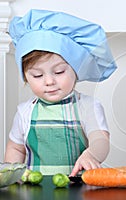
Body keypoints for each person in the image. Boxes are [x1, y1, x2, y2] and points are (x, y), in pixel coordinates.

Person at [5, 9, 117, 176]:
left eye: (59, 72)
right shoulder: (24, 111)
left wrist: (91, 155)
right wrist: (10, 174)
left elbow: (100, 139)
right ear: (26, 77)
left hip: (78, 186)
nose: (49, 81)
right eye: (37, 75)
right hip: (35, 188)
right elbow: (16, 148)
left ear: (75, 70)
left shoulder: (87, 106)